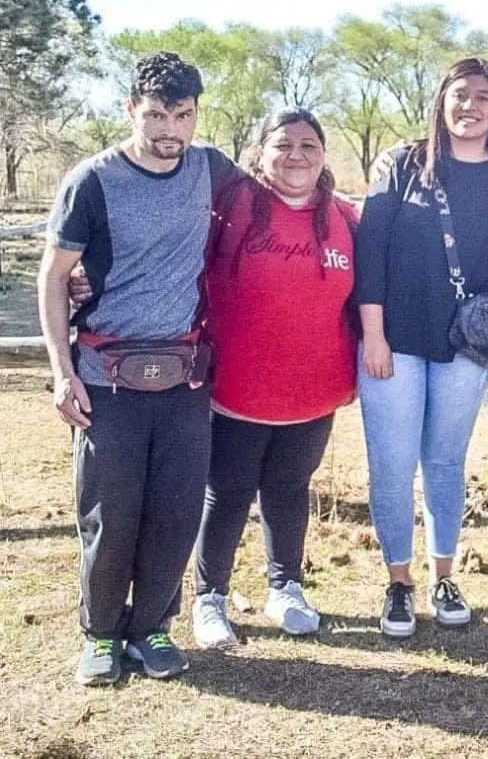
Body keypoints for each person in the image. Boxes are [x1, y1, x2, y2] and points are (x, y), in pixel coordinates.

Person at [38, 52, 239, 686]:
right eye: (156, 115)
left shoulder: (211, 168)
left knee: (176, 511)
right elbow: (52, 277)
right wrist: (62, 371)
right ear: (132, 110)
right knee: (111, 513)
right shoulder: (91, 181)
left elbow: (283, 189)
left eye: (182, 115)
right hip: (105, 380)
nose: (169, 131)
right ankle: (100, 635)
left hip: (184, 378)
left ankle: (152, 628)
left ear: (196, 115)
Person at [355, 57, 488, 636]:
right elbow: (370, 249)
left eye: (482, 96)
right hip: (393, 342)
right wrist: (372, 334)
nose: (469, 106)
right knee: (394, 464)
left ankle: (443, 575)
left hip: (464, 347)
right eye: (459, 95)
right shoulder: (405, 164)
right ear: (441, 101)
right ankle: (399, 583)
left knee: (447, 462)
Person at [190, 110, 359, 649]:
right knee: (229, 491)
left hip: (313, 390)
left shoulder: (344, 218)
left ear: (324, 154)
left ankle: (286, 586)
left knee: (290, 489)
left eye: (310, 145)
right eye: (283, 144)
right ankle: (209, 597)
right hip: (239, 387)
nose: (296, 155)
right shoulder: (231, 207)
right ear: (260, 153)